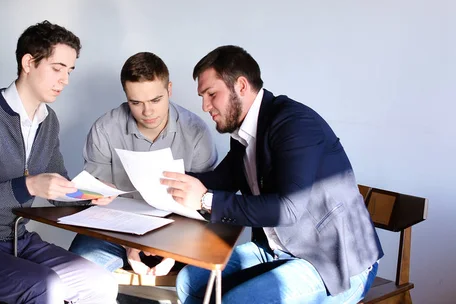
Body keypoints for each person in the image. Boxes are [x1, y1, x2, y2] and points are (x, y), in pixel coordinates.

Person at [161, 45, 383, 303]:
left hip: (334, 262)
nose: (204, 105)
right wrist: (159, 179)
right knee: (189, 283)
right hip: (277, 250)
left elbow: (288, 209)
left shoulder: (295, 124)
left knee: (239, 300)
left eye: (211, 94)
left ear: (241, 86)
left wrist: (204, 200)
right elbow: (216, 183)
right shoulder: (244, 134)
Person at [0, 21, 118, 304]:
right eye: (57, 68)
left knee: (100, 282)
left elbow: (58, 189)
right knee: (47, 287)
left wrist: (90, 195)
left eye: (69, 70)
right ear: (29, 62)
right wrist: (28, 185)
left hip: (17, 241)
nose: (65, 79)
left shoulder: (48, 120)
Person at [68, 52, 218, 277]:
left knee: (209, 278)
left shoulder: (196, 132)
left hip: (181, 232)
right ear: (126, 96)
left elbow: (205, 209)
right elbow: (94, 199)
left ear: (169, 89)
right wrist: (128, 243)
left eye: (155, 100)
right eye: (136, 102)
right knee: (77, 272)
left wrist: (173, 252)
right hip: (115, 231)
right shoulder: (105, 128)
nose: (147, 112)